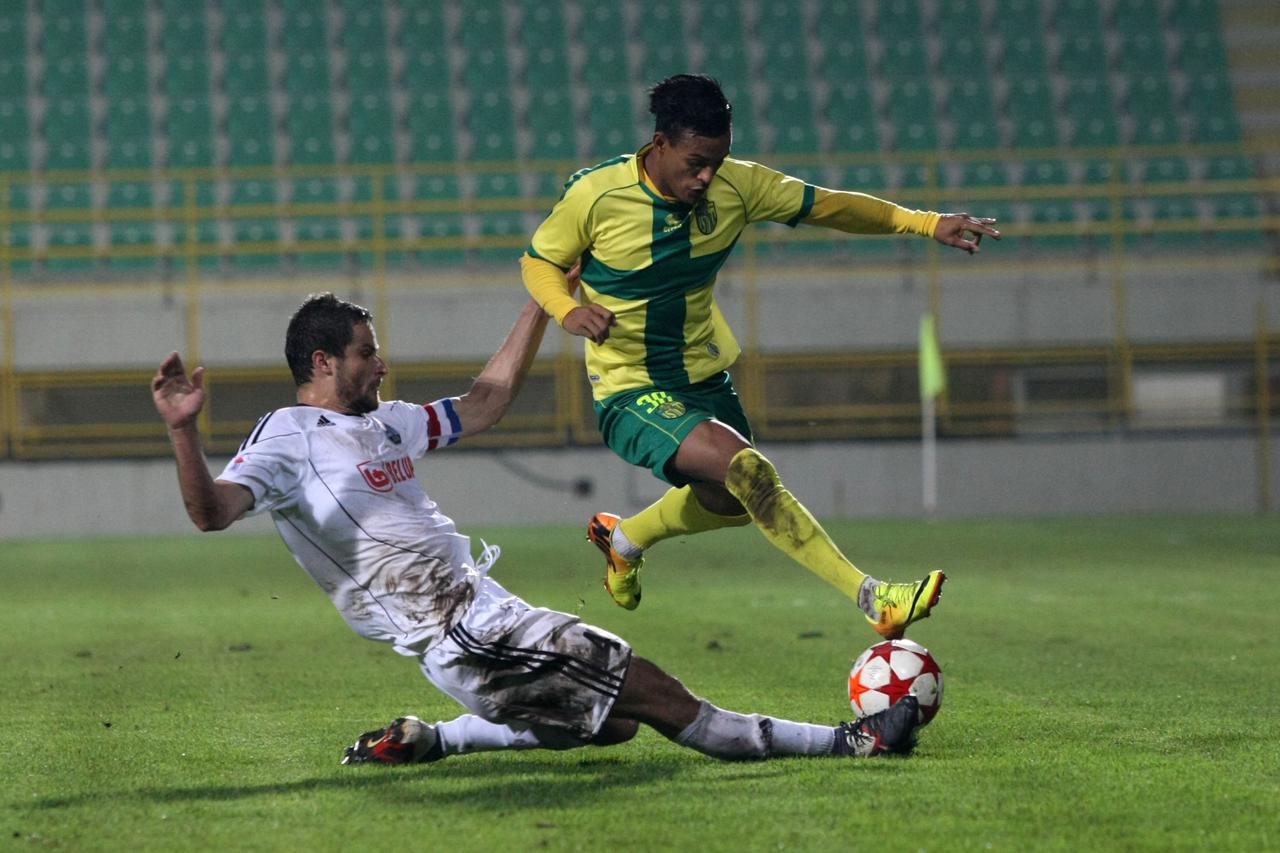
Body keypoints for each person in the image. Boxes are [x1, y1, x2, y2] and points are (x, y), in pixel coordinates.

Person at [151, 290, 922, 765]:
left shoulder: (387, 422)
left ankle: (433, 738)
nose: (381, 367)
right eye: (367, 354)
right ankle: (852, 740)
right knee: (654, 692)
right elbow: (210, 512)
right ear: (321, 360)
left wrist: (543, 304)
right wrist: (185, 431)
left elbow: (484, 401)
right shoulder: (285, 434)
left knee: (613, 729)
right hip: (462, 629)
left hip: (479, 613)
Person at [521, 73, 1000, 636]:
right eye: (696, 162)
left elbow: (831, 207)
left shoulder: (737, 186)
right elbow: (539, 259)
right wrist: (566, 309)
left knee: (729, 500)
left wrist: (925, 223)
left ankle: (624, 538)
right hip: (628, 387)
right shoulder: (597, 194)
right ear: (660, 143)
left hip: (701, 374)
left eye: (717, 163)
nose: (706, 177)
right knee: (747, 468)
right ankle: (874, 598)